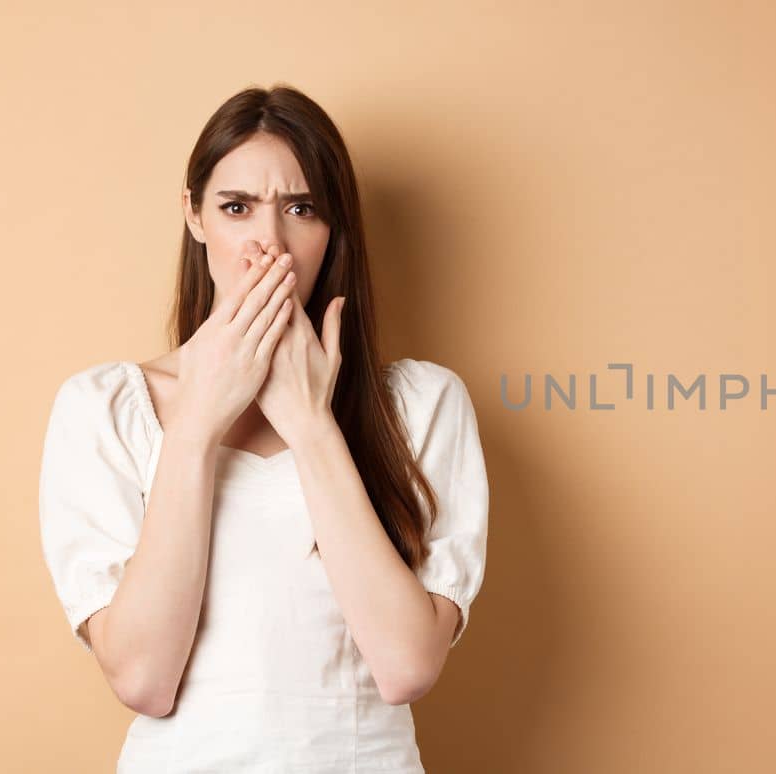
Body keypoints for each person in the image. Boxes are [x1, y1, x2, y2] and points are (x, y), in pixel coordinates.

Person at [36, 84, 488, 772]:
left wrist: (311, 425)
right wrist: (196, 427)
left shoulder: (423, 404)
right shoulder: (103, 408)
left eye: (300, 209)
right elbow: (143, 681)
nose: (268, 244)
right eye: (236, 208)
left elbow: (404, 668)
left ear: (332, 228)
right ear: (193, 216)